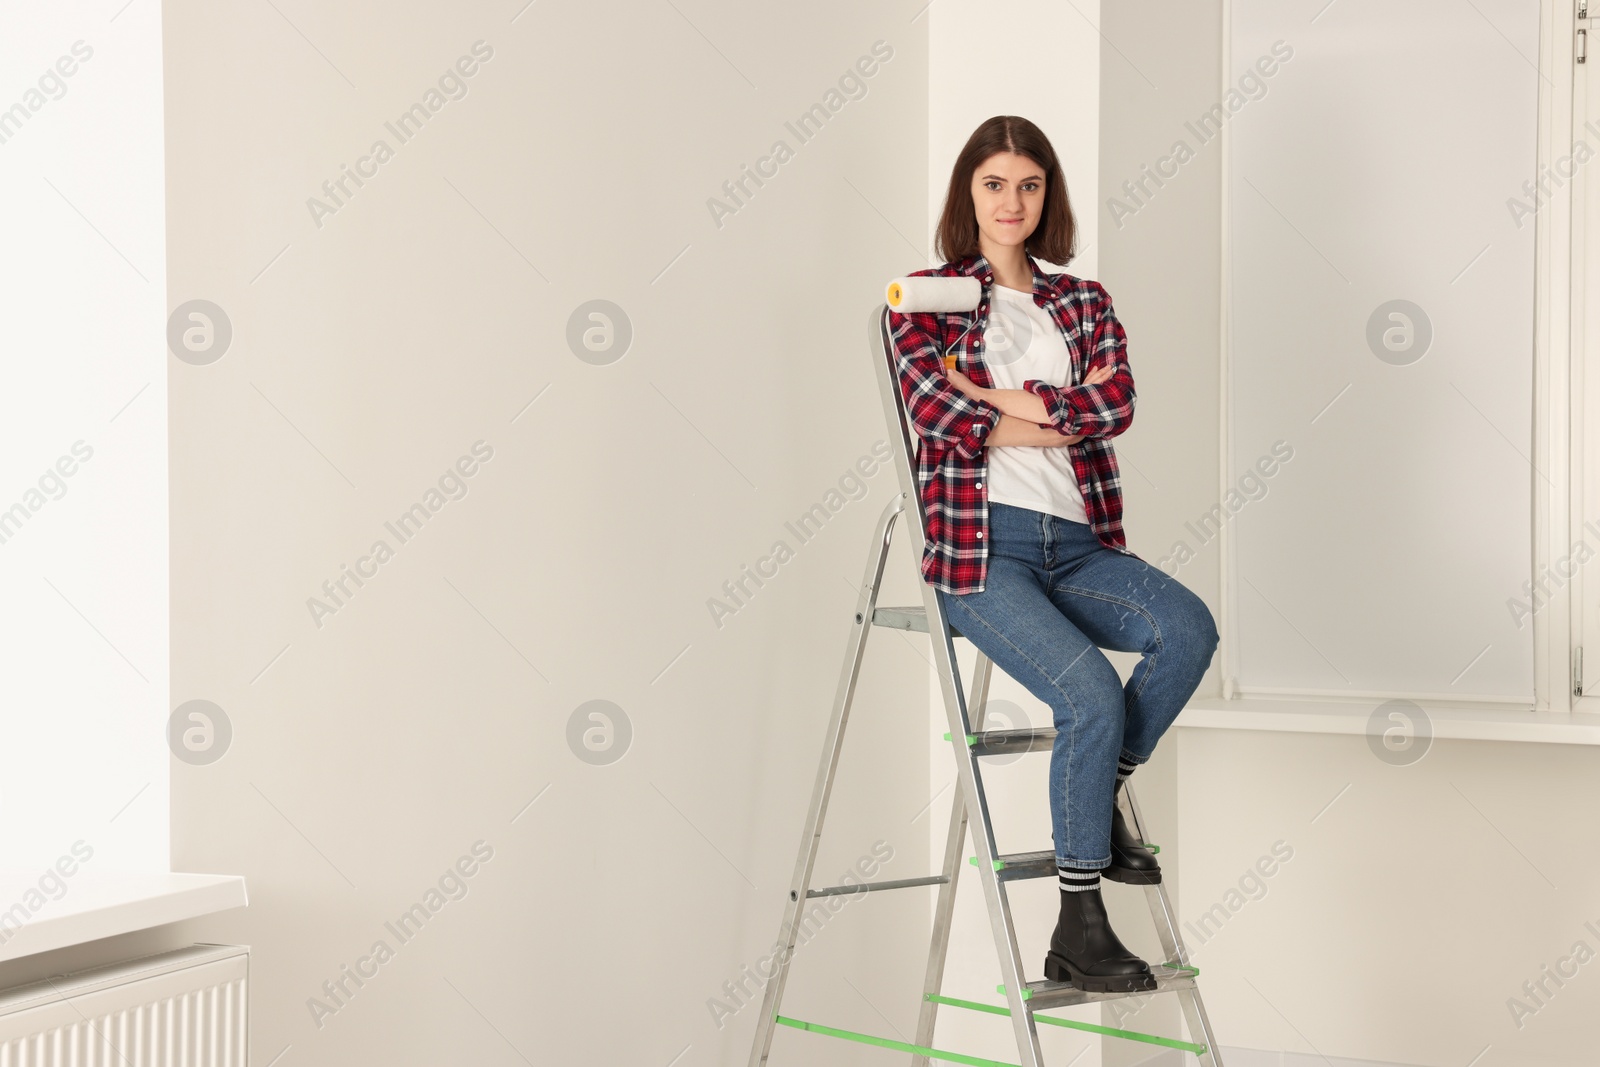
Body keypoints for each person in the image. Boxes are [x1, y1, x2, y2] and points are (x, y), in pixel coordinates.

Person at [887, 115, 1219, 993]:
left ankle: (1098, 791)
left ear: (1048, 195)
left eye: (1028, 184)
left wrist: (1003, 401)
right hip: (982, 551)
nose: (1011, 201)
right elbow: (939, 417)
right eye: (994, 183)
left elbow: (1115, 405)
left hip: (1078, 544)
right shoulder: (924, 300)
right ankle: (1078, 925)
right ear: (969, 192)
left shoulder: (1083, 300)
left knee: (1187, 629)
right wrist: (1051, 410)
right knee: (1089, 691)